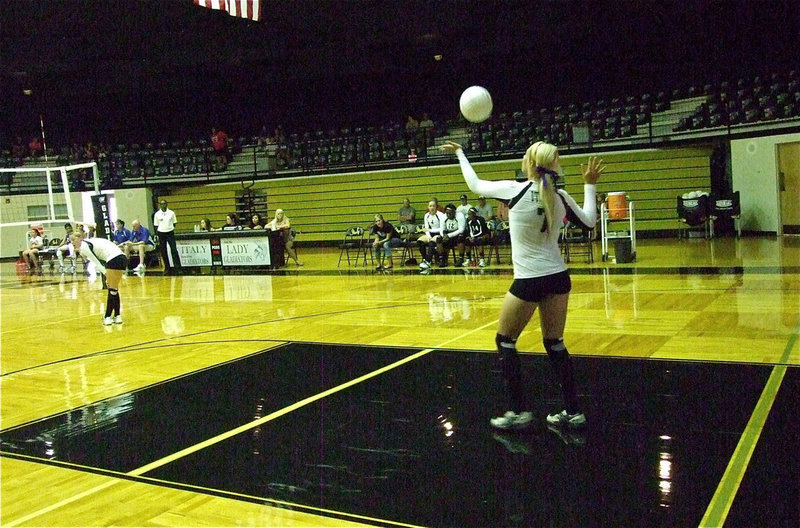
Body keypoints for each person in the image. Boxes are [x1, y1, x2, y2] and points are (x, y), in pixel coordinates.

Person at [441, 139, 604, 431]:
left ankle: (518, 411)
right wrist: (590, 185)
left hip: (529, 281)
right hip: (558, 277)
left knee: (505, 340)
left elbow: (475, 184)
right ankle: (573, 412)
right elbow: (591, 223)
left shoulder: (515, 190)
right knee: (554, 343)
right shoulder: (561, 196)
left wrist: (459, 153)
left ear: (529, 163)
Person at [70, 229, 127, 325]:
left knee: (112, 290)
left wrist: (106, 274)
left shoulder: (84, 246)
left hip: (114, 259)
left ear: (80, 238)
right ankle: (117, 316)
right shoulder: (90, 242)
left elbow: (97, 263)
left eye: (73, 239)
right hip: (122, 258)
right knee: (114, 289)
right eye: (70, 240)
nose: (72, 242)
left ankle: (107, 317)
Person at [416, 200, 447, 269]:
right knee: (419, 241)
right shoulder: (426, 215)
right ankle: (424, 258)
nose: (432, 208)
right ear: (428, 207)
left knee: (431, 243)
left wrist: (431, 231)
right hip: (430, 233)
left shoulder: (440, 215)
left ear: (436, 207)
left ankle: (428, 261)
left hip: (439, 233)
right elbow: (426, 228)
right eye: (430, 206)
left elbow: (442, 228)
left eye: (433, 206)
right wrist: (429, 236)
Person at [154, 199, 181, 275]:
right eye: (161, 204)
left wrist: (169, 228)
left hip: (170, 232)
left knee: (174, 250)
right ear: (160, 205)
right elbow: (156, 225)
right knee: (163, 251)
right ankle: (167, 268)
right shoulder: (157, 214)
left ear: (167, 204)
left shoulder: (171, 213)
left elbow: (174, 223)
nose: (163, 205)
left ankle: (178, 268)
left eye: (164, 204)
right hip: (161, 233)